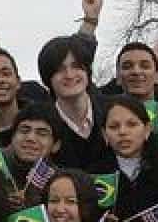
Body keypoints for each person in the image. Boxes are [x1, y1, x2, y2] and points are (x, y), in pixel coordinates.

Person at [38, 35, 108, 169]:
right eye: (59, 69)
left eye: (76, 66)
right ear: (48, 79)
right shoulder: (43, 125)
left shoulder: (112, 111)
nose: (69, 75)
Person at [3, 103, 64, 190]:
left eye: (42, 133)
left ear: (56, 145)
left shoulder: (63, 183)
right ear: (12, 137)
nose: (30, 138)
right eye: (24, 131)